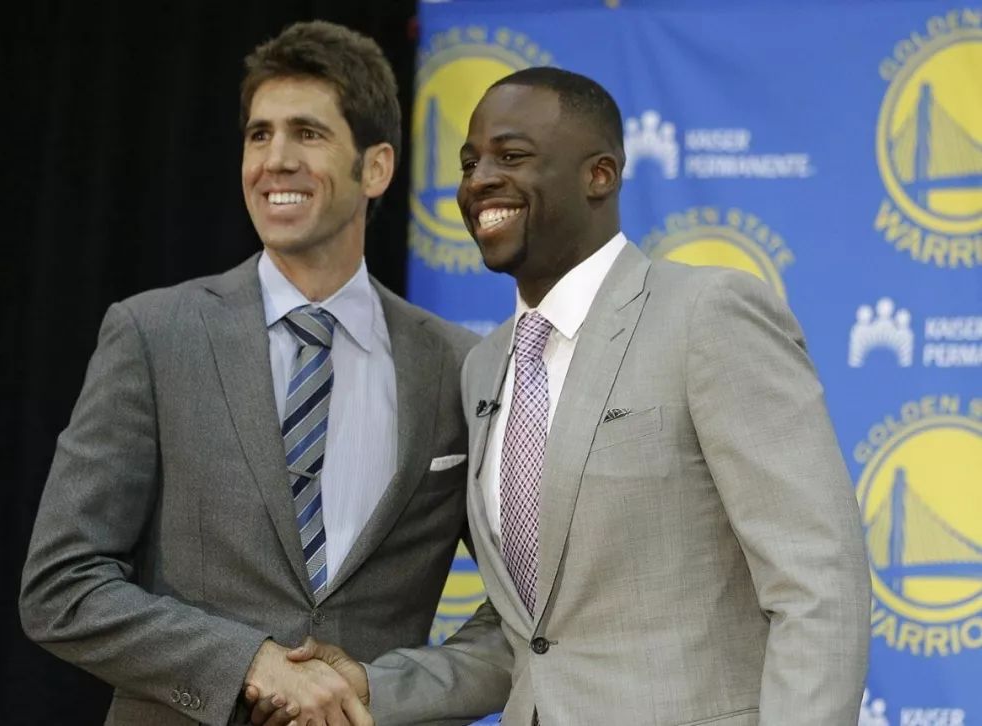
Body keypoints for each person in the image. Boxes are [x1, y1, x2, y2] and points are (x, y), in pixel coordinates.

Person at [274, 67, 871, 725]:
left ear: (600, 175)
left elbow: (818, 585)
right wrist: (373, 687)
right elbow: (536, 634)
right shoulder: (484, 368)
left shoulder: (707, 314)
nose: (479, 181)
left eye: (511, 156)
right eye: (470, 163)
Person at [18, 20, 477, 726]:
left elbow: (525, 609)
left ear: (377, 168)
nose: (275, 160)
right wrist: (248, 663)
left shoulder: (456, 365)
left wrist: (384, 689)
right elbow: (60, 586)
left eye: (308, 134)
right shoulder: (154, 334)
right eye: (259, 135)